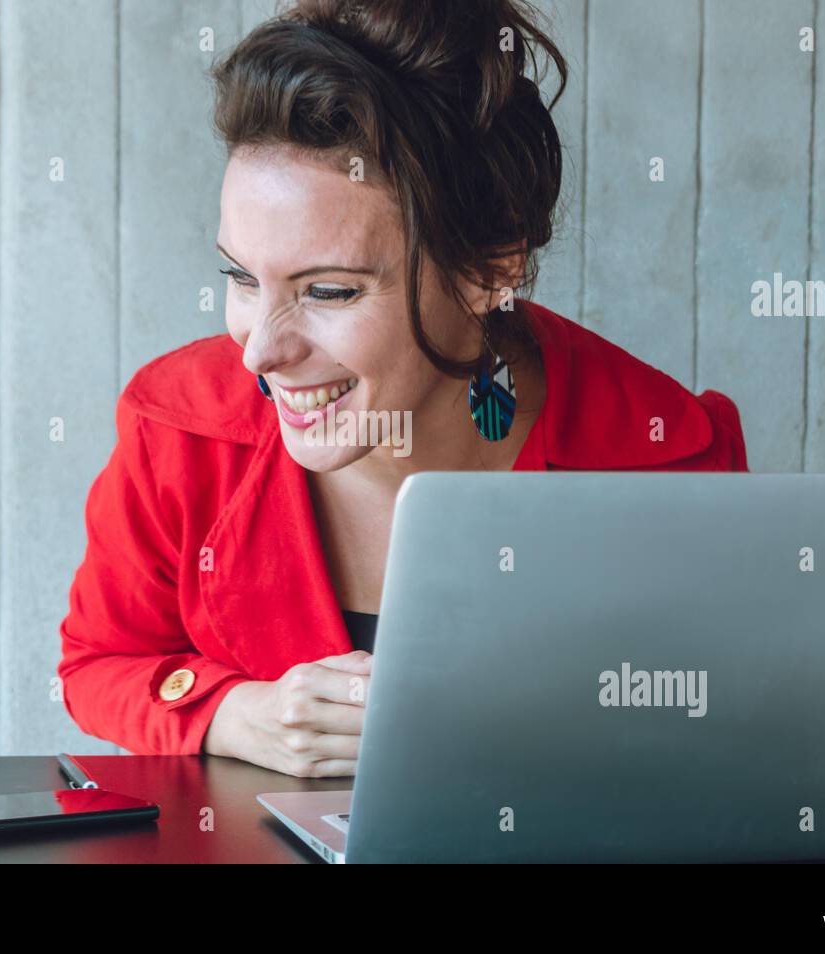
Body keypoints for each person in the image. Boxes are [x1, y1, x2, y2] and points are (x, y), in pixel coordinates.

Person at [57, 0, 748, 777]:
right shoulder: (178, 427)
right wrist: (232, 713)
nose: (260, 353)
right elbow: (98, 660)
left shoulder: (666, 457)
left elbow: (715, 740)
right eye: (242, 277)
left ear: (492, 267)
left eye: (330, 291)